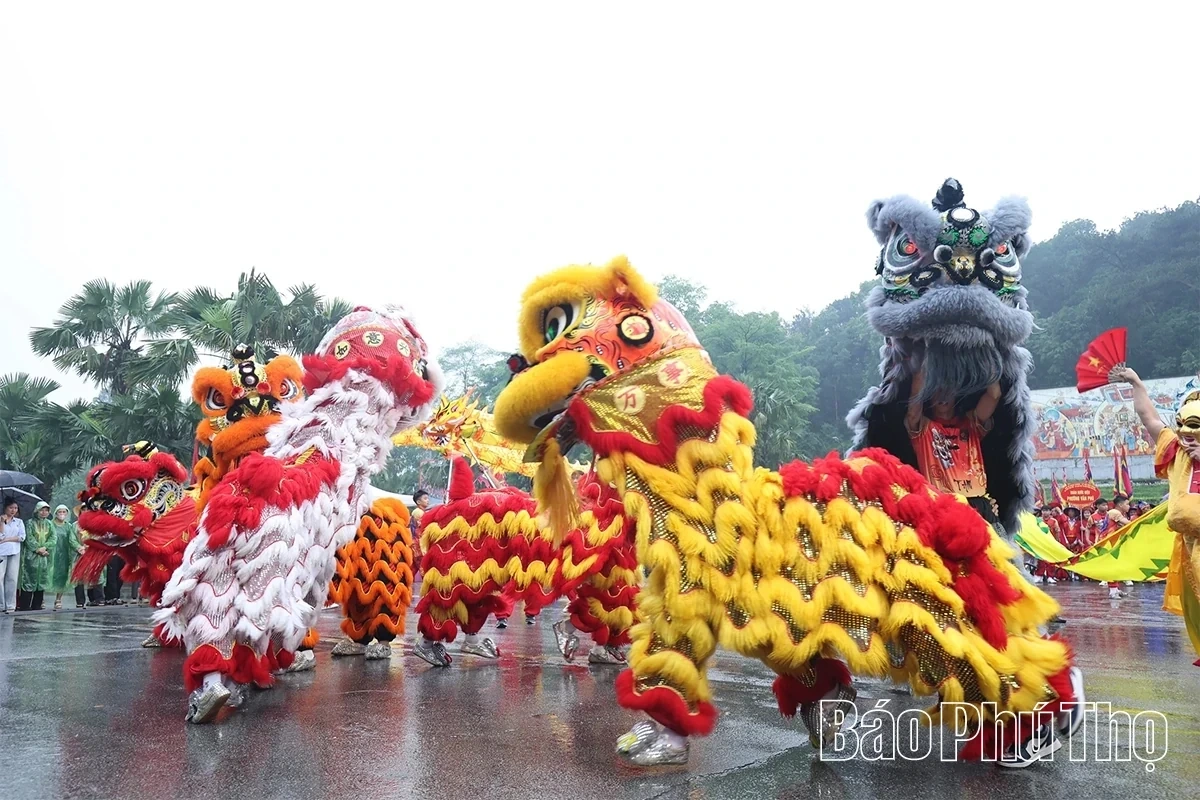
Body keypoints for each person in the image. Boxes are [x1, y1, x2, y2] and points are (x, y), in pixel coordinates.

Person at [1113, 367, 1200, 663]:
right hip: (1187, 547)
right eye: (1182, 429)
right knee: (1195, 608)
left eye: (1195, 429)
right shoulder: (1176, 452)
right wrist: (1137, 383)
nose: (1188, 437)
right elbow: (1149, 418)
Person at [905, 369, 1004, 528]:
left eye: (947, 391)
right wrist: (920, 363)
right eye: (936, 391)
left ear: (956, 395)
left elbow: (994, 395)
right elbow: (913, 408)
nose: (942, 396)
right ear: (929, 397)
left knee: (1002, 551)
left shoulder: (972, 422)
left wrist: (987, 354)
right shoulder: (923, 428)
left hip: (980, 506)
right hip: (942, 507)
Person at [18, 501, 55, 611]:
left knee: (41, 579)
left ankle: (37, 605)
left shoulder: (49, 524)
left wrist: (45, 548)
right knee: (29, 578)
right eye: (41, 510)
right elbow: (29, 539)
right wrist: (38, 549)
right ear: (36, 511)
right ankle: (25, 605)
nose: (44, 512)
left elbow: (53, 538)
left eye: (46, 510)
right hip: (31, 556)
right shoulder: (29, 523)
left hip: (44, 557)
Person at [47, 505, 84, 610]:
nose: (62, 514)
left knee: (62, 577)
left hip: (64, 554)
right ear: (55, 513)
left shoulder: (69, 526)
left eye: (64, 512)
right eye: (60, 511)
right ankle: (42, 600)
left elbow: (72, 539)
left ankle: (58, 599)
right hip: (51, 553)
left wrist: (79, 548)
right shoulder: (50, 524)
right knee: (48, 575)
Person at [0, 497, 26, 613]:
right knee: (0, 577)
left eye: (15, 508)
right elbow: (0, 537)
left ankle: (10, 605)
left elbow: (22, 537)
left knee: (12, 578)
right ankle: (1, 604)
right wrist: (1, 522)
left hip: (14, 551)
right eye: (11, 508)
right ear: (5, 508)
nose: (13, 510)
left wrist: (7, 539)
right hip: (1, 552)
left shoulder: (19, 522)